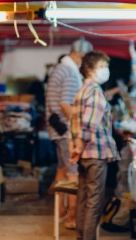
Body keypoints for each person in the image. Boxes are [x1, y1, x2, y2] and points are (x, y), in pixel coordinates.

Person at [69, 50, 120, 240]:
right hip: (95, 153)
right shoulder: (96, 92)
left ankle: (81, 237)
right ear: (89, 69)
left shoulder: (82, 91)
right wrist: (79, 147)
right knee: (94, 202)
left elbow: (74, 124)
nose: (105, 70)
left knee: (84, 199)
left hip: (84, 154)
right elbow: (89, 124)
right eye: (102, 67)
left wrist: (76, 148)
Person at [45, 37, 92, 229]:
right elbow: (65, 104)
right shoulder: (70, 73)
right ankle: (73, 217)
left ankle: (61, 213)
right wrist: (78, 126)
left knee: (62, 170)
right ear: (79, 55)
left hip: (57, 130)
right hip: (65, 131)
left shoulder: (60, 68)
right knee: (73, 175)